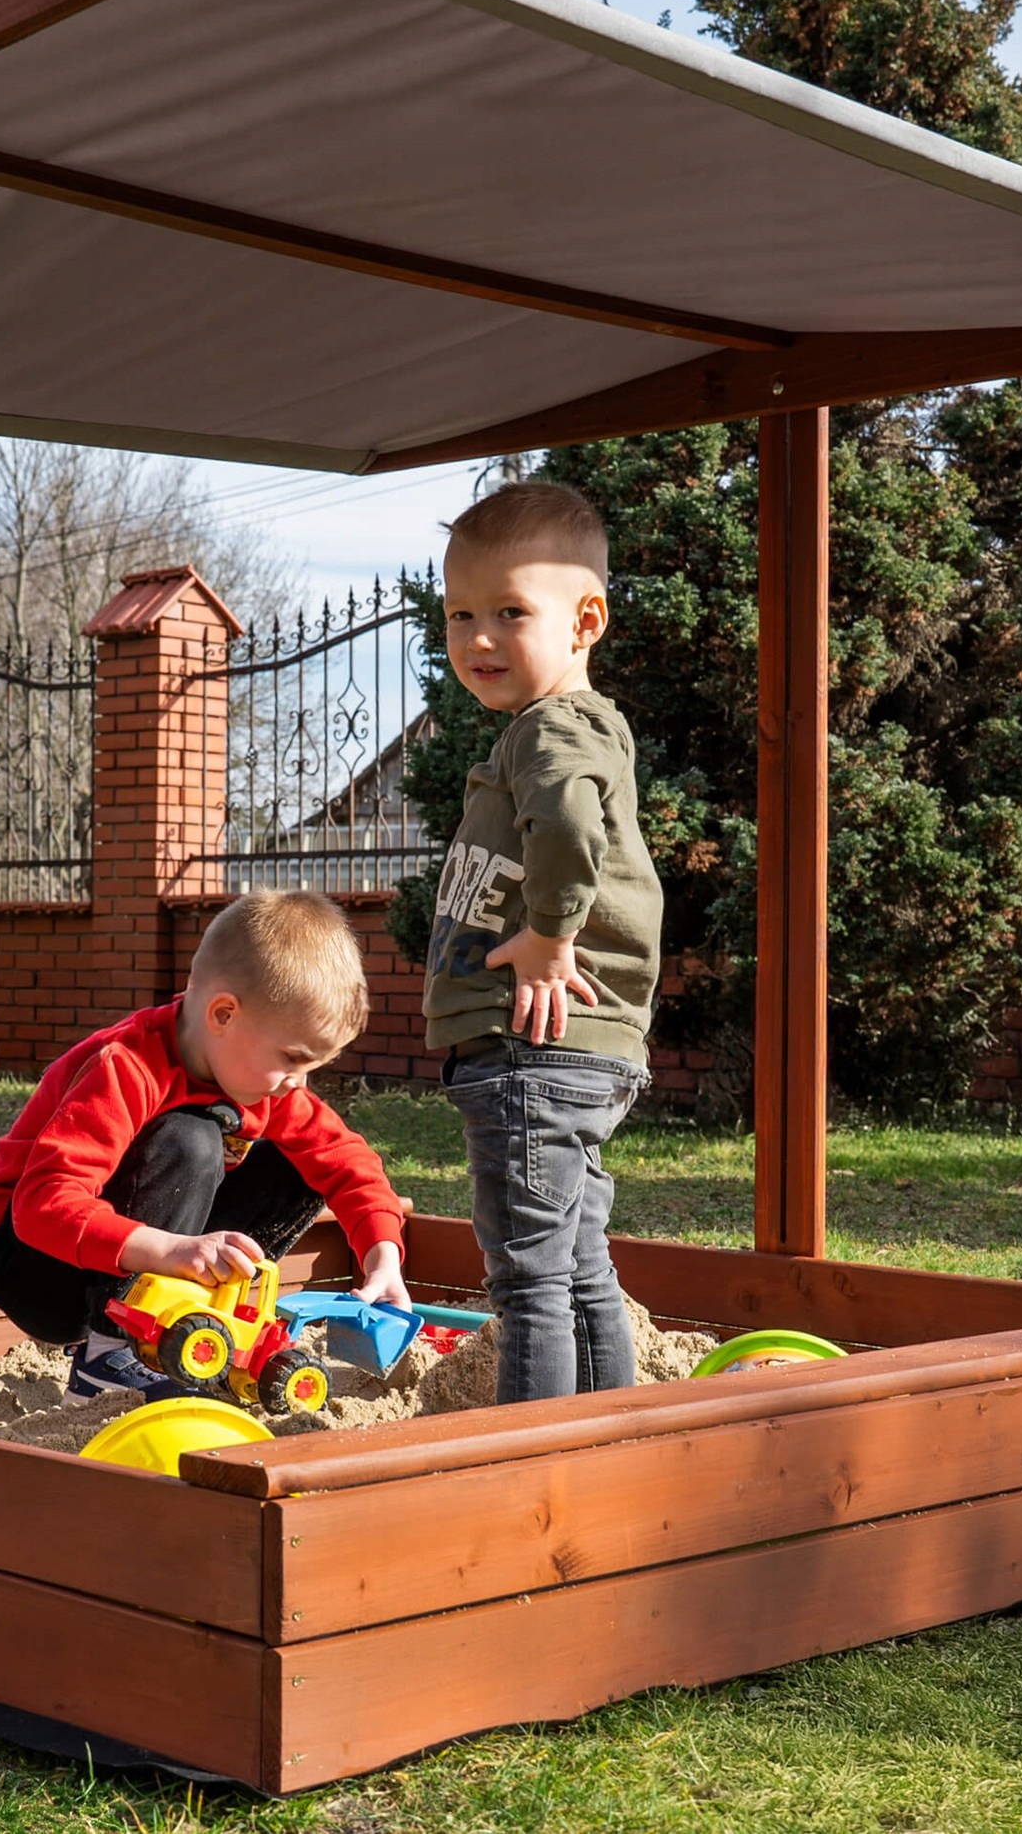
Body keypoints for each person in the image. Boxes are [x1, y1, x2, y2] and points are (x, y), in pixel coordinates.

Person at [0, 889, 411, 1401]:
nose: (298, 1083)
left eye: (312, 1066)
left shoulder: (266, 1088)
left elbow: (348, 1162)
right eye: (292, 1059)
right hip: (40, 1269)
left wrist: (383, 1260)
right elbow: (43, 1206)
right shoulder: (127, 1066)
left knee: (300, 1166)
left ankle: (202, 1322)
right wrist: (169, 1250)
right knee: (191, 1138)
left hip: (146, 1260)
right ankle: (109, 1355)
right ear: (224, 1014)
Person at [424, 481, 664, 1405]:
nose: (478, 637)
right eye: (461, 614)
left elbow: (566, 823)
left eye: (510, 612)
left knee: (529, 1278)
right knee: (577, 1261)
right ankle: (603, 1429)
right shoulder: (562, 728)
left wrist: (549, 936)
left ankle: (535, 1456)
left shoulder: (551, 728)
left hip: (534, 1047)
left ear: (585, 620)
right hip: (569, 1055)